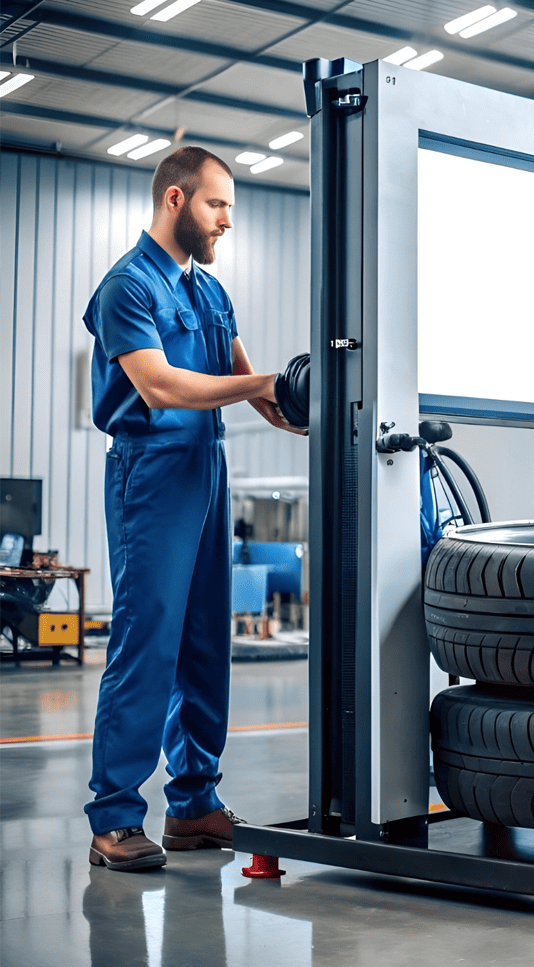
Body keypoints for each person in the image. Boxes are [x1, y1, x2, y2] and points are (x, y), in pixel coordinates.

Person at [83, 146, 304, 871]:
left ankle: (193, 805)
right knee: (149, 641)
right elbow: (160, 387)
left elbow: (250, 386)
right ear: (176, 200)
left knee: (208, 643)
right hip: (151, 471)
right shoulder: (128, 287)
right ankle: (115, 818)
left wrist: (305, 400)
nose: (227, 222)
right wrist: (258, 385)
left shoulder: (210, 293)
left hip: (207, 468)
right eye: (218, 206)